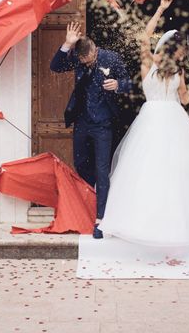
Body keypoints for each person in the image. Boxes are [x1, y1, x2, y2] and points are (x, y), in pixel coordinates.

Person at [98, 0, 189, 246]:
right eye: (182, 48)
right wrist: (160, 9)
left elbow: (186, 98)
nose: (184, 52)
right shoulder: (151, 65)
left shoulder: (172, 70)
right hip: (161, 121)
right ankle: (149, 220)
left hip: (167, 120)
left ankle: (164, 220)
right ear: (173, 48)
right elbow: (146, 37)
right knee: (155, 168)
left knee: (166, 170)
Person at [50, 22, 132, 239]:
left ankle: (101, 220)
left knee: (102, 170)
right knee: (81, 164)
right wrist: (67, 44)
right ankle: (93, 199)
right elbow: (55, 67)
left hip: (104, 123)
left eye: (90, 60)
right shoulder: (76, 58)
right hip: (82, 122)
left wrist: (118, 85)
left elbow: (130, 83)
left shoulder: (111, 58)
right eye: (84, 61)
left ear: (95, 51)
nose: (87, 63)